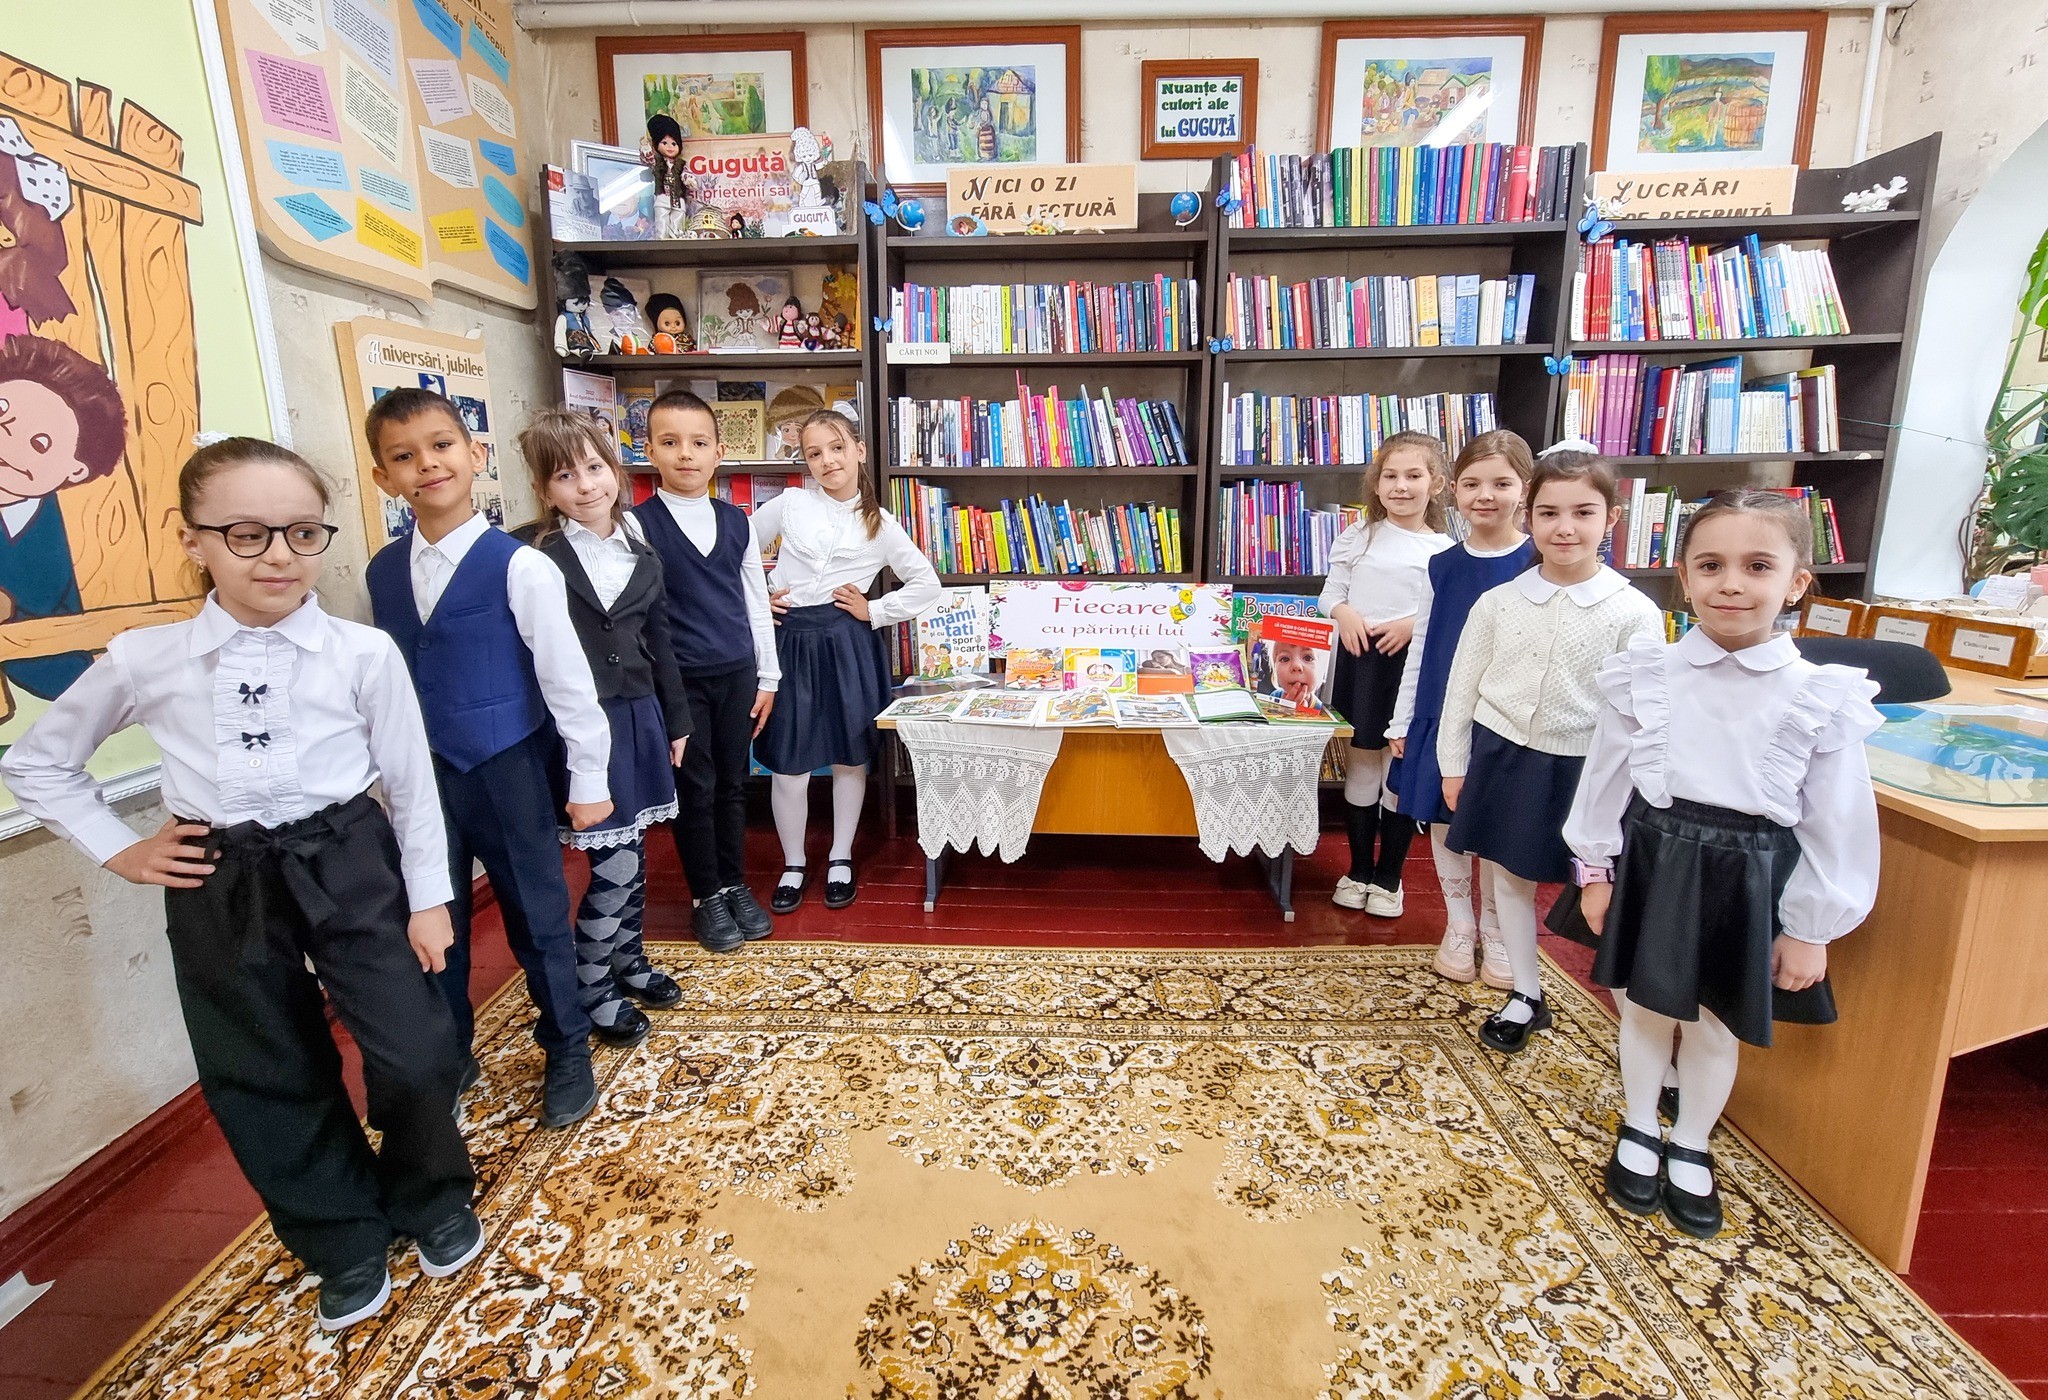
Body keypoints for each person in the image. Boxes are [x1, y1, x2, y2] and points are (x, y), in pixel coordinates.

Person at [1, 437, 480, 1332]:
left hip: (347, 857)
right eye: (247, 534)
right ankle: (339, 1233)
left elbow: (411, 783)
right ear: (194, 540)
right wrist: (120, 849)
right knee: (261, 1062)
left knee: (417, 1049)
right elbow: (38, 765)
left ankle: (432, 1192)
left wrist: (429, 899)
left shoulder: (362, 652)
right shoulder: (146, 657)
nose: (278, 557)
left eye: (302, 533)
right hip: (219, 872)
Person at [1562, 489, 1880, 1238]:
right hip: (1655, 859)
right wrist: (1595, 871)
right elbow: (1604, 779)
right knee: (1642, 1006)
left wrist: (1811, 927)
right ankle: (1641, 1123)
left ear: (1797, 582)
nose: (1731, 583)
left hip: (1746, 876)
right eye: (1710, 565)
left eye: (1757, 566)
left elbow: (1838, 821)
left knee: (1713, 1023)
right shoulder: (1645, 675)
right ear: (1684, 577)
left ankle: (1694, 1141)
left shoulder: (1819, 695)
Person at [362, 388, 613, 1131]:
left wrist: (589, 777)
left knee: (537, 915)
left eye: (442, 446)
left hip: (506, 768)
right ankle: (450, 1050)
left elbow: (567, 681)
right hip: (420, 778)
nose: (426, 464)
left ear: (476, 455)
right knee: (432, 917)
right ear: (383, 478)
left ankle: (566, 1045)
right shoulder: (382, 571)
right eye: (403, 456)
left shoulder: (520, 566)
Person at [1437, 443, 1663, 1054]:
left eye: (1583, 513)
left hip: (1593, 771)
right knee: (1508, 878)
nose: (1565, 528)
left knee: (1602, 894)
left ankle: (1637, 1029)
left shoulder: (1634, 612)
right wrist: (1453, 765)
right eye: (1549, 513)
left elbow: (1647, 717)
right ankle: (1526, 993)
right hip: (1506, 757)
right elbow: (1461, 689)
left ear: (1611, 518)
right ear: (1529, 517)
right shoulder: (1498, 602)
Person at [513, 410, 692, 1049]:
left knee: (635, 850)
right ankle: (591, 986)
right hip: (578, 725)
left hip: (639, 716)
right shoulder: (529, 553)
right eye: (565, 476)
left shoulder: (641, 551)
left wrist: (677, 720)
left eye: (595, 468)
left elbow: (659, 641)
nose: (586, 486)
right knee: (613, 859)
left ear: (615, 469)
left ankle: (628, 959)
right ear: (544, 488)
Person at [753, 409, 940, 912]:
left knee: (848, 755)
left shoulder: (881, 523)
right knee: (789, 761)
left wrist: (875, 610)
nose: (827, 461)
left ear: (859, 450)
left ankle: (840, 856)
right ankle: (794, 863)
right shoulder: (789, 504)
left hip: (847, 643)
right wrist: (759, 597)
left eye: (837, 448)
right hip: (791, 640)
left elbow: (927, 584)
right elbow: (737, 551)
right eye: (814, 453)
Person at [629, 390, 779, 952]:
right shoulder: (636, 525)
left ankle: (734, 883)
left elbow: (756, 602)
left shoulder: (737, 522)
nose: (685, 454)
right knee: (696, 786)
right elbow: (641, 619)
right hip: (679, 680)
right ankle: (705, 895)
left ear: (719, 452)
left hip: (738, 672)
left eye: (698, 443)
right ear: (650, 452)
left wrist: (769, 677)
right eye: (670, 443)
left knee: (734, 785)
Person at [1387, 430, 1537, 984]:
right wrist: (1403, 718)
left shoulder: (1536, 560)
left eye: (1501, 483)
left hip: (1506, 716)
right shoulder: (1442, 564)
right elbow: (1423, 642)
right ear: (1453, 490)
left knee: (1494, 822)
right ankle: (1459, 924)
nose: (1485, 496)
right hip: (1440, 706)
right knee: (1441, 814)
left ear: (1525, 489)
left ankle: (1497, 930)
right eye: (1472, 484)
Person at [1319, 430, 1453, 918]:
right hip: (1362, 663)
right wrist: (1344, 613)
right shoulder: (1359, 536)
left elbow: (1449, 613)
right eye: (1390, 476)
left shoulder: (1444, 549)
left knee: (1398, 768)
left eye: (1414, 475)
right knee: (1362, 764)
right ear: (1376, 485)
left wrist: (1410, 625)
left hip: (1410, 669)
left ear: (1436, 484)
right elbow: (1330, 594)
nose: (1401, 486)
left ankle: (1389, 878)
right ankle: (1358, 871)